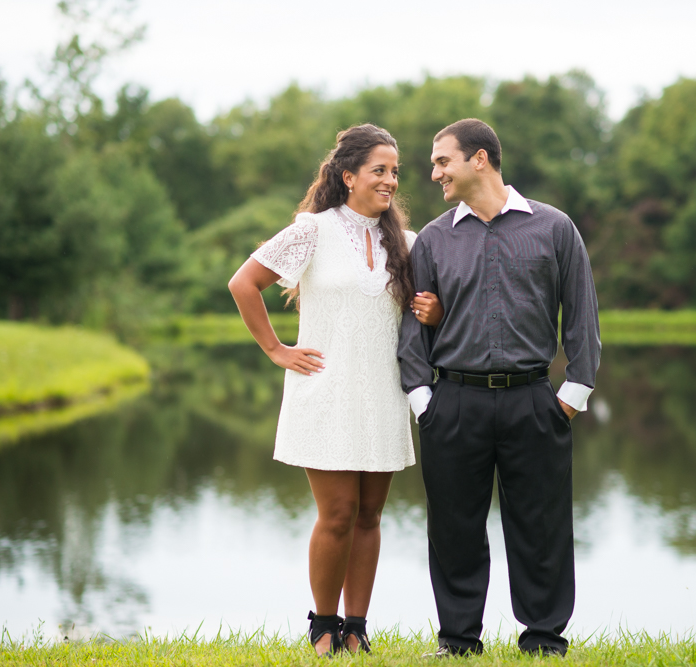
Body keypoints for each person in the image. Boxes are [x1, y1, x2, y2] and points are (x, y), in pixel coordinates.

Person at [228, 124, 442, 656]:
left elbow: (426, 316)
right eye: (379, 170)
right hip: (326, 393)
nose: (390, 180)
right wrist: (278, 350)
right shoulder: (312, 231)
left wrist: (434, 311)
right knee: (339, 513)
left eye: (395, 171)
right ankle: (322, 627)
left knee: (370, 515)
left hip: (384, 395)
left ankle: (356, 628)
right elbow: (242, 284)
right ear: (348, 176)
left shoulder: (407, 244)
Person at [398, 118, 601, 657]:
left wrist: (570, 397)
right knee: (454, 529)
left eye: (443, 161)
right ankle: (459, 640)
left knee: (541, 526)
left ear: (480, 159)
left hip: (535, 401)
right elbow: (412, 331)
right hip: (453, 403)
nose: (434, 171)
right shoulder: (436, 239)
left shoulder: (555, 229)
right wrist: (424, 403)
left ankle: (543, 638)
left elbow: (582, 318)